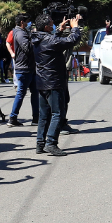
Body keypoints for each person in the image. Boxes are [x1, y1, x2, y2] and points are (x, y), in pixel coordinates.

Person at [32, 12, 82, 156]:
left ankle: (40, 143)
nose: (54, 24)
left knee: (44, 115)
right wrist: (75, 27)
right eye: (51, 23)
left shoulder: (37, 38)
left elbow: (51, 41)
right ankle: (51, 143)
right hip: (53, 81)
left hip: (42, 81)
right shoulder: (49, 40)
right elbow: (72, 40)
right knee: (58, 113)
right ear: (47, 27)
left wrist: (58, 31)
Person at [8, 14, 38, 126]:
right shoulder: (20, 33)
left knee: (35, 92)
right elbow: (27, 48)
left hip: (30, 67)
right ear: (22, 22)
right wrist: (36, 42)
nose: (28, 23)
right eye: (27, 21)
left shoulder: (23, 32)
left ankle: (36, 118)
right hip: (24, 68)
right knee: (21, 93)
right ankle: (12, 117)